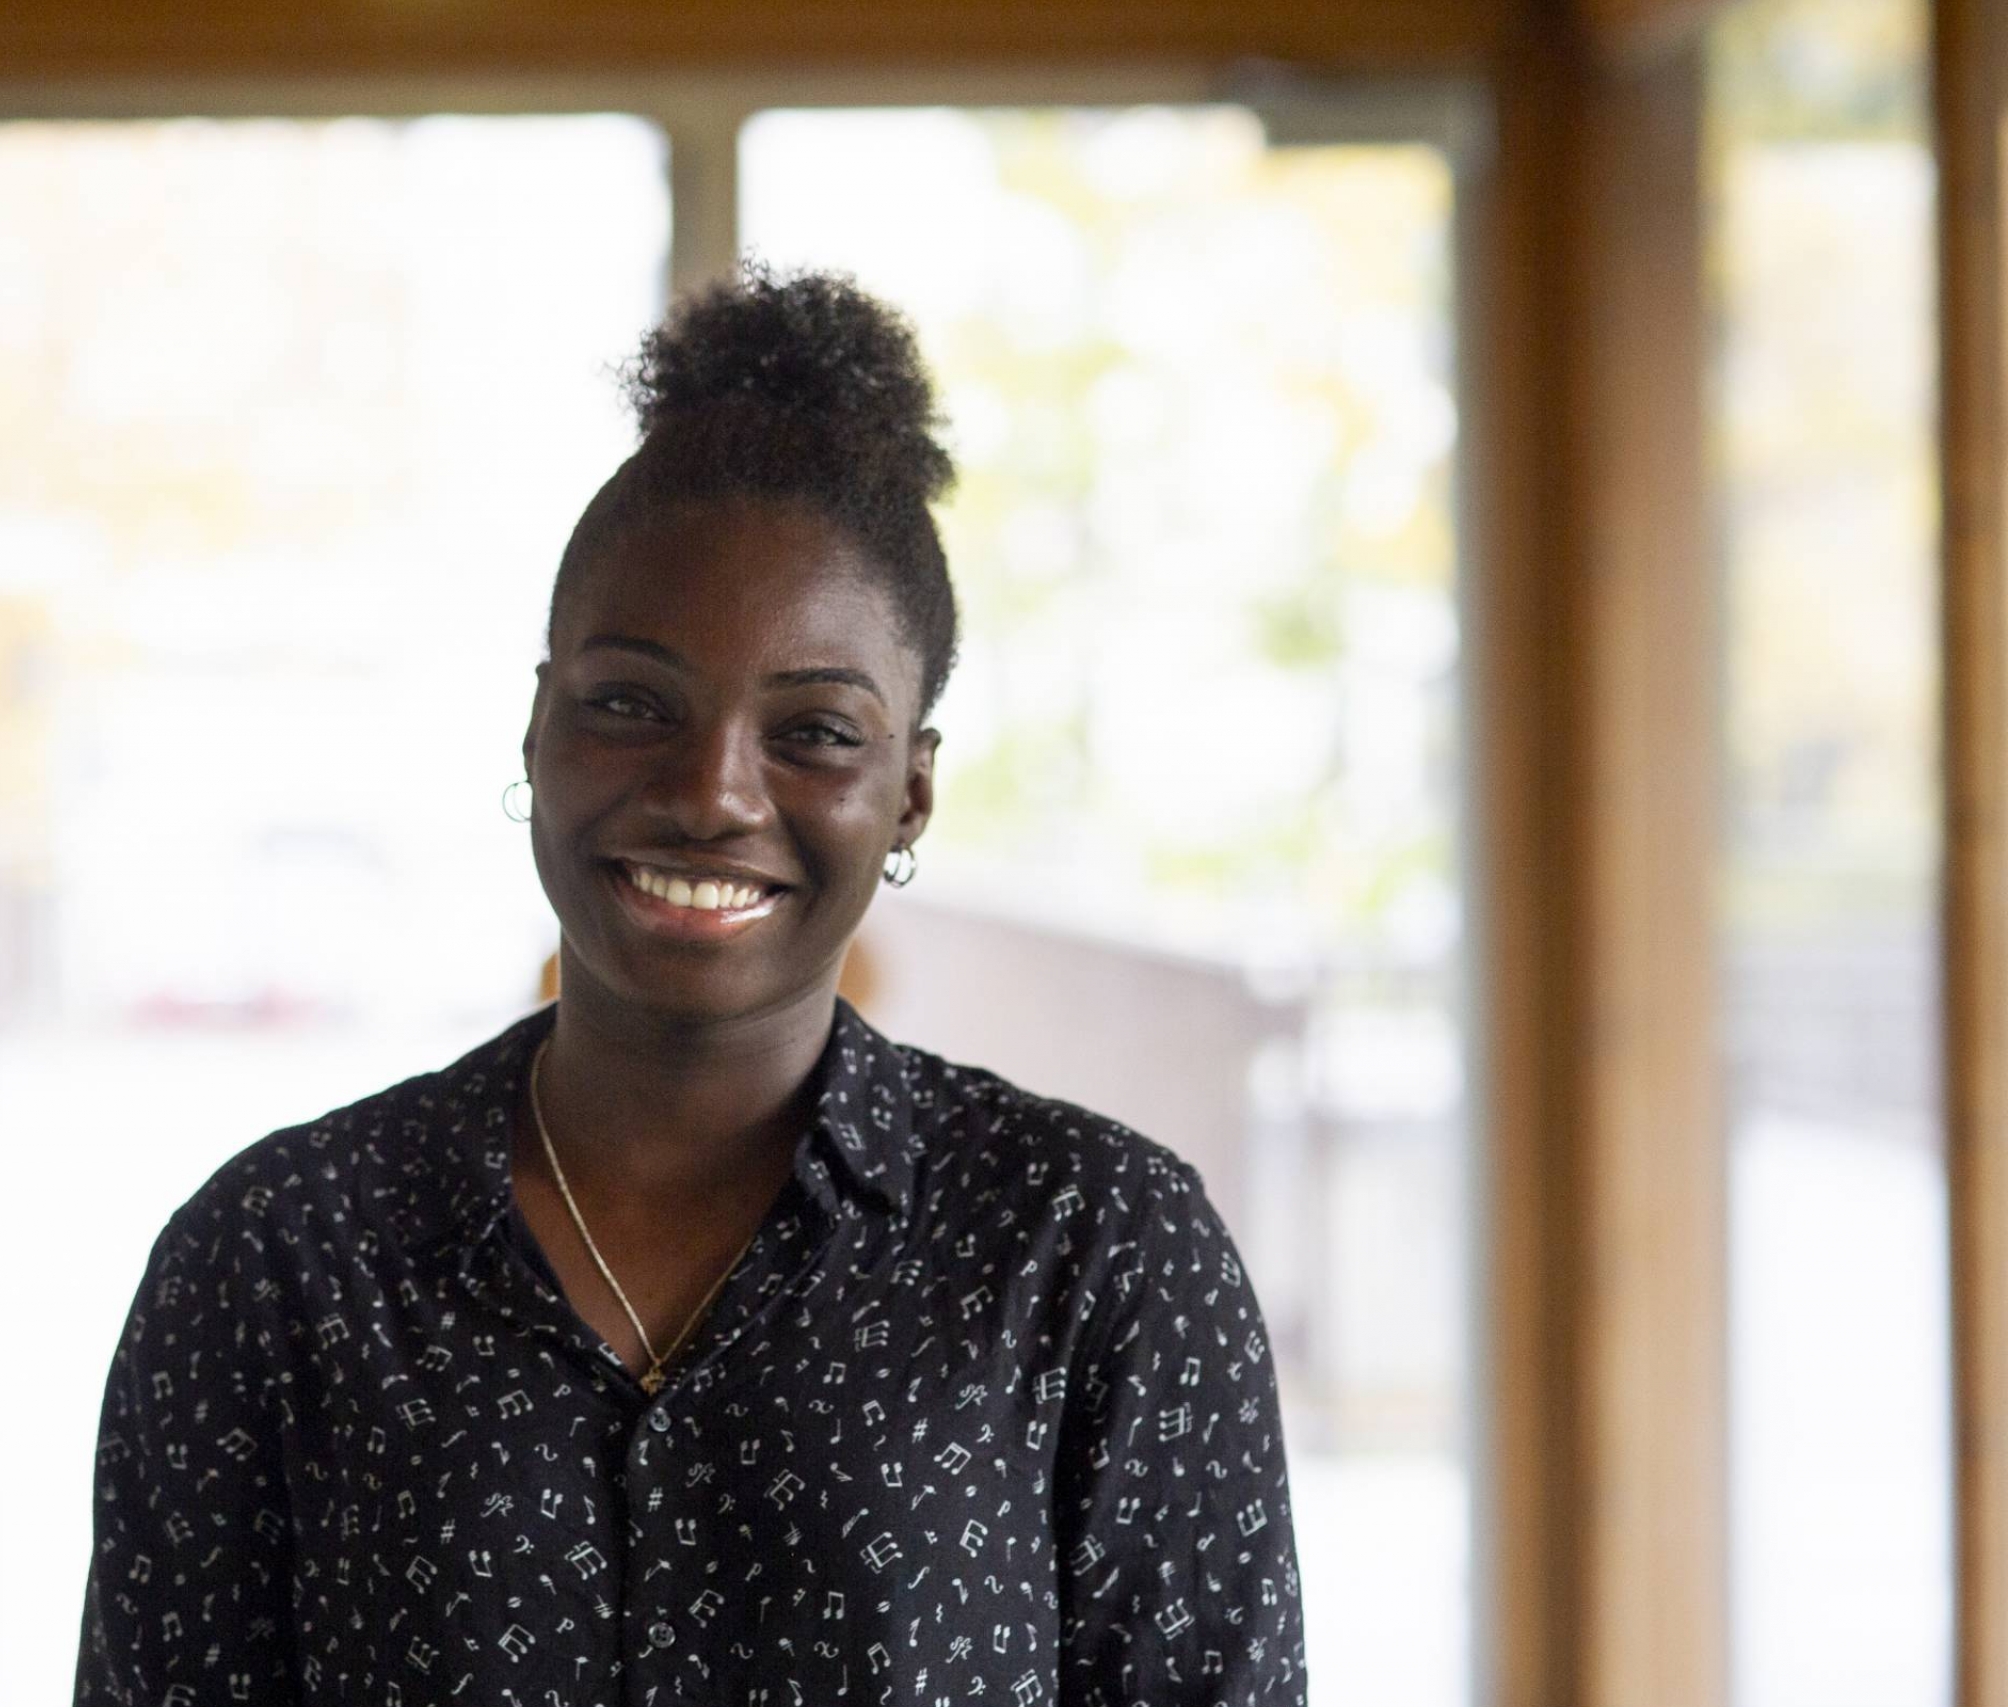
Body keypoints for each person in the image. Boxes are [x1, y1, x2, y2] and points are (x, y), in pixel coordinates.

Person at [75, 265, 1305, 1706]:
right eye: (630, 704)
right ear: (539, 728)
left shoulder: (1094, 1257)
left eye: (816, 731)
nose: (713, 791)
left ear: (910, 793)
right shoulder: (276, 1263)